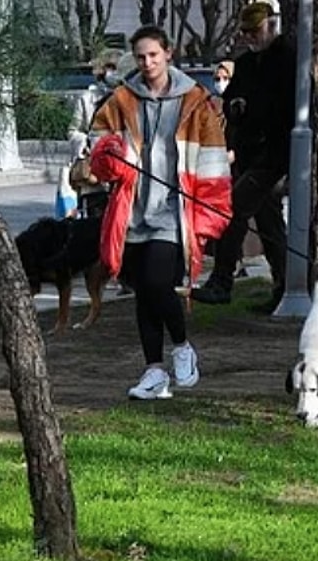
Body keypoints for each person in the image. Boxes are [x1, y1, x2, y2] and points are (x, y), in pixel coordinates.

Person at [87, 25, 232, 400]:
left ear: (168, 53)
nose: (147, 62)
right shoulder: (121, 99)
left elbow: (214, 160)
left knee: (156, 282)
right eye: (140, 57)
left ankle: (182, 346)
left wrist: (211, 211)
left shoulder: (196, 101)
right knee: (143, 293)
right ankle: (154, 372)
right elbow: (96, 146)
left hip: (174, 212)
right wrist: (108, 158)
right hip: (131, 211)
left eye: (153, 54)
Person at [192, 0, 296, 312]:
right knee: (270, 224)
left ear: (272, 26)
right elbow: (232, 103)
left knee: (233, 210)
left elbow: (290, 111)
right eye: (246, 32)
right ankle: (284, 287)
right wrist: (236, 110)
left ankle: (222, 282)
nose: (250, 37)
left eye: (256, 30)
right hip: (252, 154)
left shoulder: (288, 59)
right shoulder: (247, 64)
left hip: (276, 156)